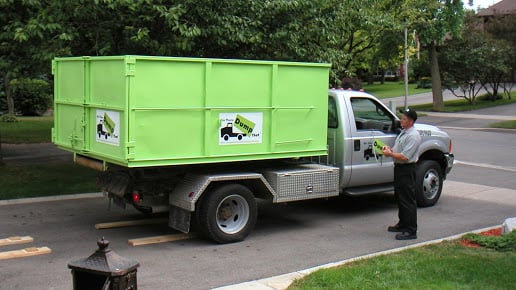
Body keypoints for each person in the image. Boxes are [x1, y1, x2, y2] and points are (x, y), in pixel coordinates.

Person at [381, 108, 421, 240]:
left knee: (407, 200)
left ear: (410, 121)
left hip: (407, 169)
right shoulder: (404, 132)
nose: (401, 120)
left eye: (403, 119)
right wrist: (390, 150)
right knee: (400, 197)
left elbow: (405, 157)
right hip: (399, 168)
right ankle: (402, 224)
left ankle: (411, 230)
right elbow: (400, 150)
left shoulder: (413, 136)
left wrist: (390, 154)